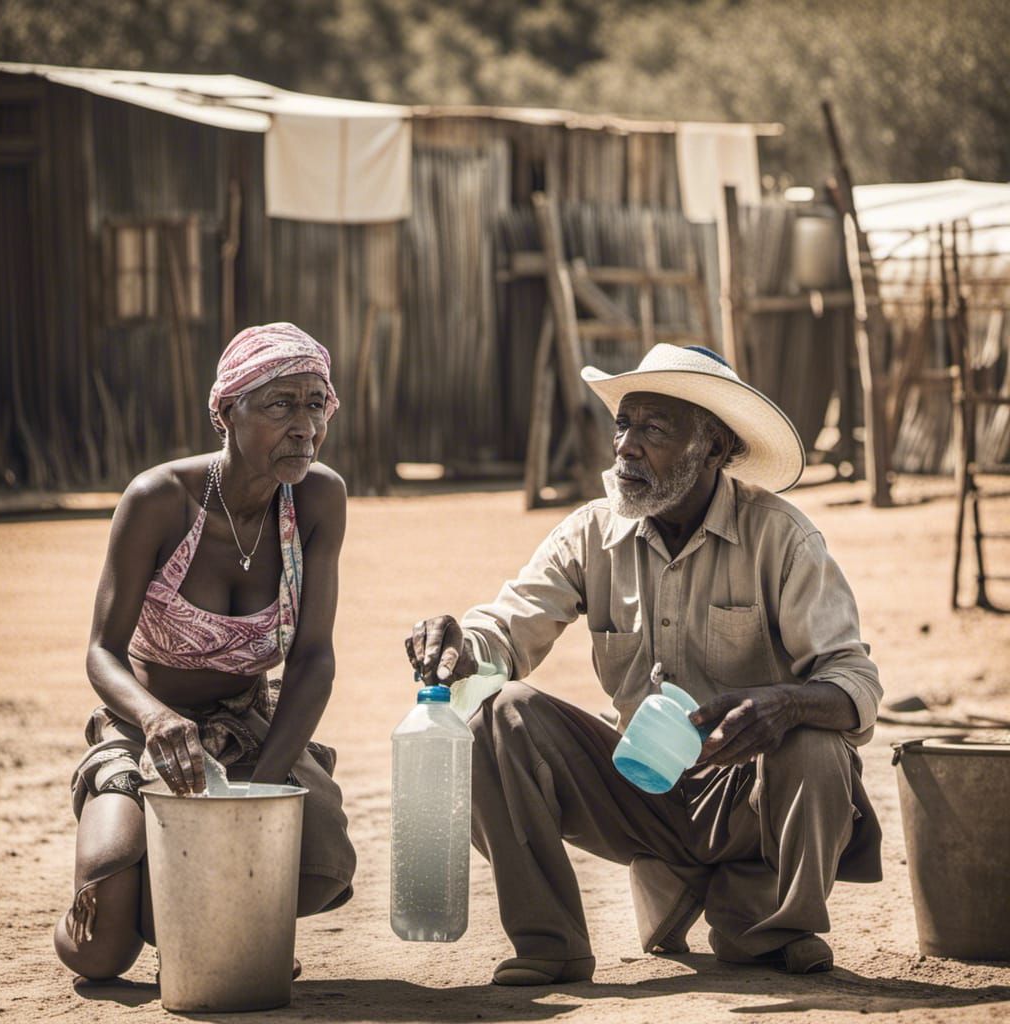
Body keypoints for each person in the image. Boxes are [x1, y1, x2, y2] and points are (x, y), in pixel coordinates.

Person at [406, 343, 882, 985]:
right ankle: (552, 943)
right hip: (639, 786)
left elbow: (854, 681)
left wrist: (785, 703)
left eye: (654, 430)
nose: (626, 447)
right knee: (498, 713)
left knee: (819, 740)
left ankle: (774, 928)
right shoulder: (589, 533)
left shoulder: (781, 537)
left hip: (747, 795)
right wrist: (463, 643)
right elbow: (505, 629)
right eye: (623, 426)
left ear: (713, 449)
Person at [55, 322, 357, 982]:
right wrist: (157, 720)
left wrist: (264, 784)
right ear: (224, 411)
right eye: (280, 405)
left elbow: (313, 659)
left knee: (322, 860)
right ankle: (151, 885)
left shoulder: (317, 500)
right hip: (147, 731)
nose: (304, 427)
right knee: (98, 952)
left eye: (316, 404)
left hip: (248, 725)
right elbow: (102, 653)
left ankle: (204, 917)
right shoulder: (160, 500)